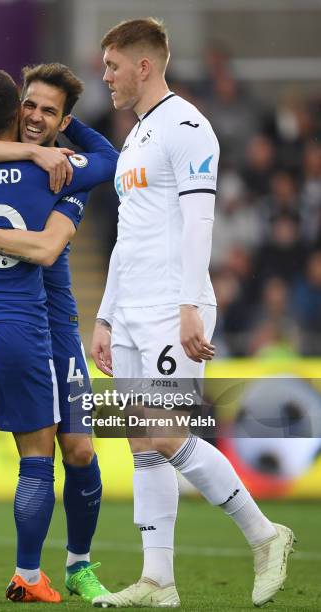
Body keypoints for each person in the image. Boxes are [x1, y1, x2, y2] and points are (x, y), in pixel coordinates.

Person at [89, 18, 294, 608]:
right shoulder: (134, 137)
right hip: (130, 308)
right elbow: (129, 236)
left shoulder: (187, 126)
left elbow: (199, 221)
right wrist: (105, 317)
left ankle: (265, 536)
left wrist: (188, 303)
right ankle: (158, 581)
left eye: (112, 66)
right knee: (142, 442)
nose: (106, 78)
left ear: (143, 66)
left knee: (165, 429)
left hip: (170, 305)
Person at [0, 62, 117, 603]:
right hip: (19, 323)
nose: (36, 118)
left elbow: (47, 246)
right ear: (15, 109)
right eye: (29, 106)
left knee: (79, 449)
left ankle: (79, 565)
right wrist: (37, 150)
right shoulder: (41, 165)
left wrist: (57, 141)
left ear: (65, 120)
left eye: (50, 112)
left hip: (53, 327)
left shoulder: (66, 170)